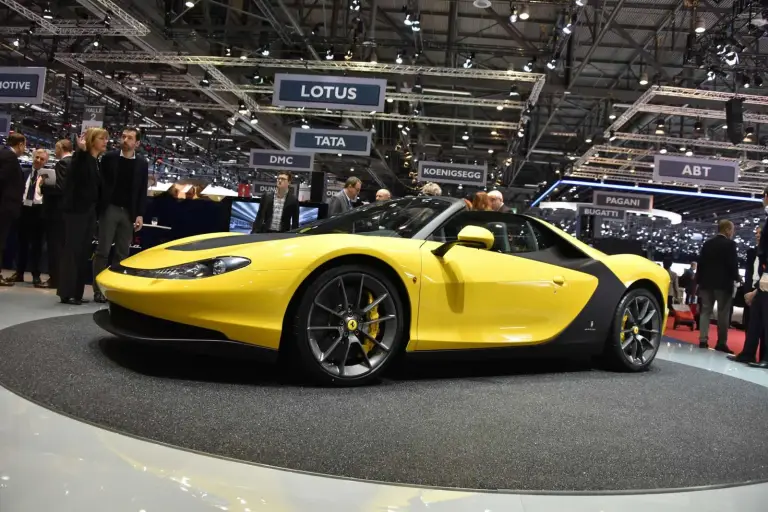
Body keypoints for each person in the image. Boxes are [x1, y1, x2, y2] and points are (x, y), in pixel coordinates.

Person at [92, 127, 149, 303]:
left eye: (129, 138)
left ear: (137, 143)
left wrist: (139, 214)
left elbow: (141, 190)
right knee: (102, 250)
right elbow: (100, 184)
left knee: (122, 253)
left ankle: (115, 290)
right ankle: (98, 289)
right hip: (110, 208)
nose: (125, 140)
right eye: (123, 136)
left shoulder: (141, 163)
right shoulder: (109, 158)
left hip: (129, 213)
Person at [57, 128, 105, 305]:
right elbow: (76, 171)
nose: (105, 142)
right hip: (76, 212)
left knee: (83, 252)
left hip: (89, 212)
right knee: (72, 251)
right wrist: (81, 149)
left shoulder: (96, 162)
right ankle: (66, 292)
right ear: (92, 140)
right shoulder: (82, 159)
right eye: (102, 138)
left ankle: (76, 293)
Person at [731, 195, 768, 367]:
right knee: (755, 322)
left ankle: (765, 358)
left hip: (765, 282)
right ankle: (748, 354)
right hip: (759, 286)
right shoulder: (755, 252)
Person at [695, 219, 741, 353]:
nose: (733, 233)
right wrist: (737, 278)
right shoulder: (730, 245)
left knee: (705, 311)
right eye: (732, 230)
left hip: (706, 284)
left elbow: (701, 264)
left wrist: (699, 281)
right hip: (723, 285)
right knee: (723, 314)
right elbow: (733, 265)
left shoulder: (707, 244)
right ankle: (721, 343)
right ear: (727, 230)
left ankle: (703, 340)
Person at [9, 148, 49, 286]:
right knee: (22, 243)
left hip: (39, 212)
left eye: (42, 159)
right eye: (37, 157)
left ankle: (36, 274)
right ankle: (19, 272)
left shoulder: (47, 176)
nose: (38, 160)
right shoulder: (23, 172)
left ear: (46, 161)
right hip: (23, 210)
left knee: (37, 245)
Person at [39, 139, 72, 289]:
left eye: (56, 148)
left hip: (56, 212)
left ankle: (55, 279)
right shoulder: (75, 162)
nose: (55, 151)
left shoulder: (63, 163)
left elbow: (60, 188)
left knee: (55, 247)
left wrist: (44, 186)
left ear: (61, 148)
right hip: (67, 213)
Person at [0, 133, 27, 286]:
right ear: (20, 145)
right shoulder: (9, 158)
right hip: (4, 207)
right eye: (25, 145)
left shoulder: (3, 154)